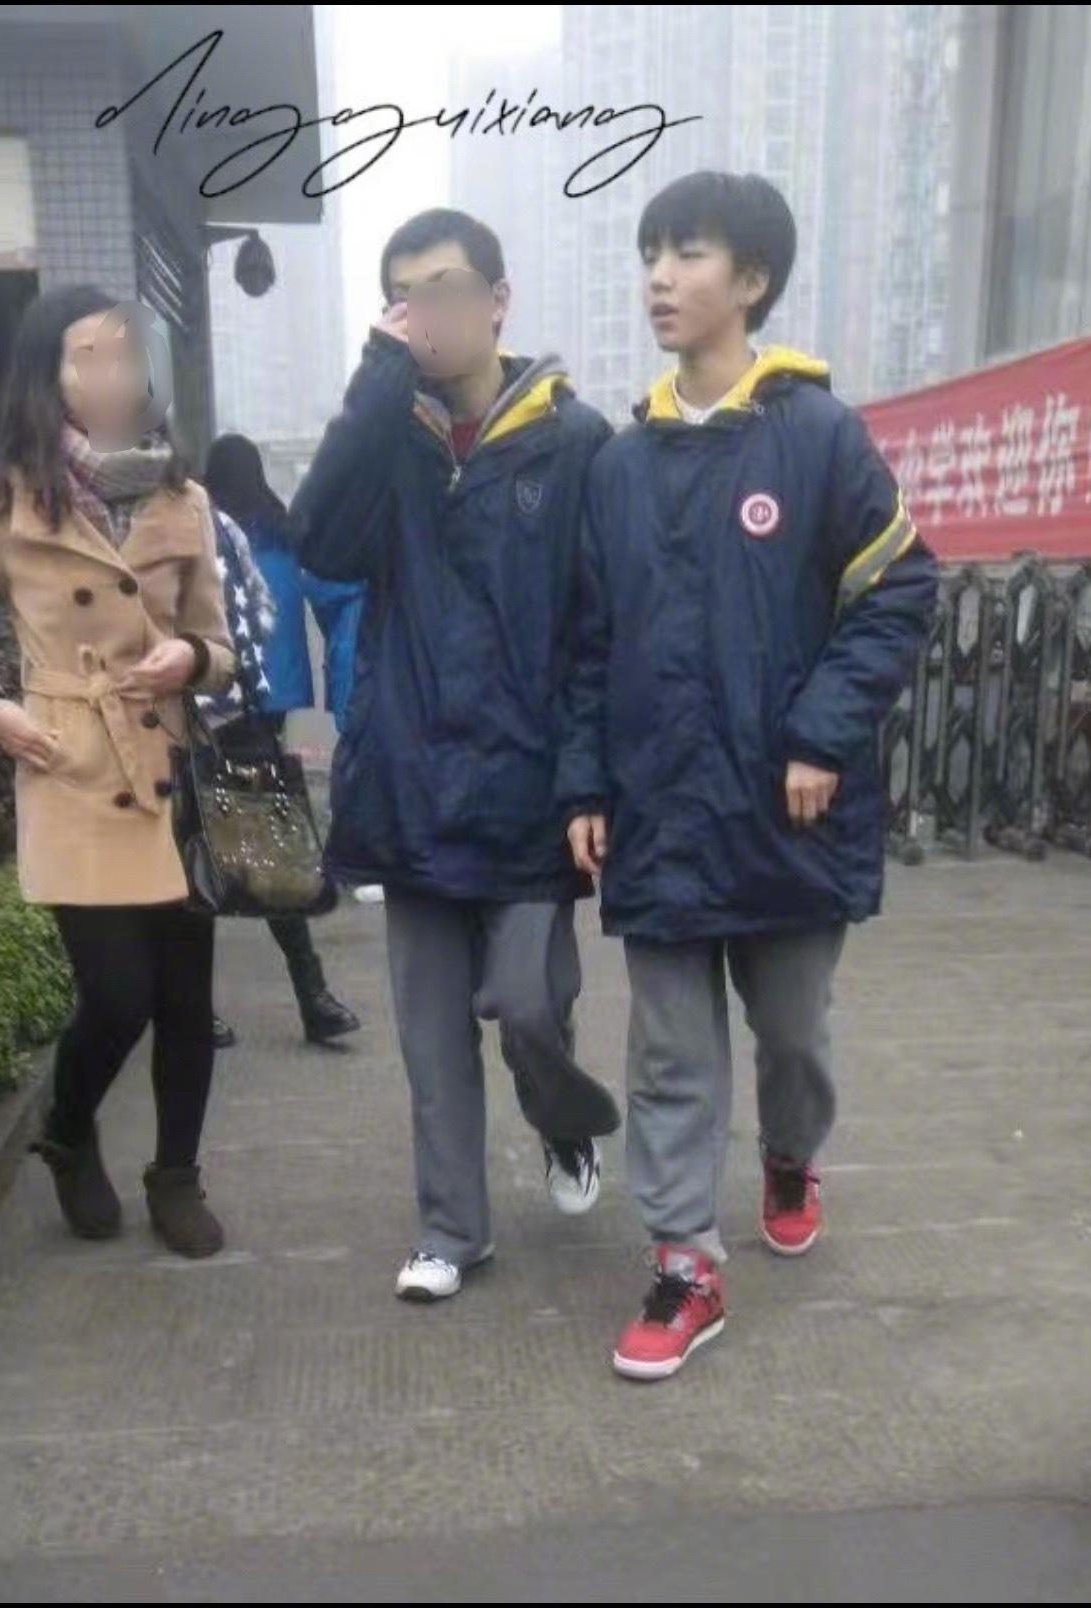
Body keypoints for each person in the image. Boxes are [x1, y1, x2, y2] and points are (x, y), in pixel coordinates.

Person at [557, 172, 939, 1378]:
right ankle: (685, 1261)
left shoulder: (816, 436)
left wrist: (822, 735)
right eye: (651, 254)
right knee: (670, 1055)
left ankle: (788, 1153)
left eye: (689, 254)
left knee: (792, 1035)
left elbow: (898, 589)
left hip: (788, 812)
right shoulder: (620, 464)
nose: (661, 277)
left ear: (754, 280)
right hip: (661, 815)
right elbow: (589, 644)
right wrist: (584, 785)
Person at [290, 208, 621, 1302]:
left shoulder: (573, 442)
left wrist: (588, 777)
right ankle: (451, 1230)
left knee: (528, 1006)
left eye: (440, 290)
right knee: (433, 1041)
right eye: (401, 298)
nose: (423, 315)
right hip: (413, 784)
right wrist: (374, 385)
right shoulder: (391, 441)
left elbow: (599, 628)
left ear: (497, 299)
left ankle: (563, 1121)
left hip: (529, 790)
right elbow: (319, 542)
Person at [0, 284, 236, 1258]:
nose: (111, 376)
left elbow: (220, 646)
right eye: (86, 357)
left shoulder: (183, 496)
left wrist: (190, 659)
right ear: (48, 375)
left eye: (126, 357)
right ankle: (65, 1127)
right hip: (71, 766)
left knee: (185, 1001)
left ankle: (176, 1176)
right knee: (118, 995)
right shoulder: (7, 497)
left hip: (168, 764)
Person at [200, 435, 361, 1048]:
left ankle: (201, 1007)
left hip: (211, 709)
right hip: (255, 707)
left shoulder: (208, 530)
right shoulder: (281, 531)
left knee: (204, 853)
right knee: (265, 851)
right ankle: (311, 996)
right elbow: (324, 603)